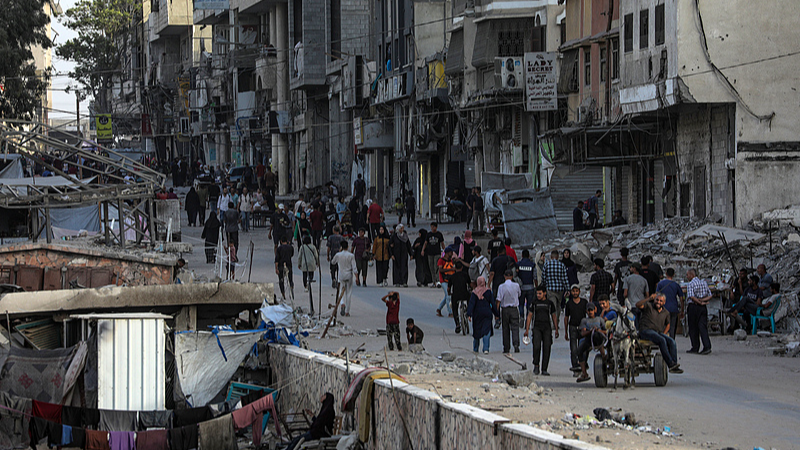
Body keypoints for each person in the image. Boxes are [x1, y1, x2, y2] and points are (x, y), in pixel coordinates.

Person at [637, 293, 684, 373]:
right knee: (661, 340)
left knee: (672, 342)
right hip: (646, 331)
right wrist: (649, 298)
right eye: (657, 300)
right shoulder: (649, 306)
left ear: (664, 302)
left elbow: (668, 325)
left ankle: (674, 364)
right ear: (654, 300)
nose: (658, 302)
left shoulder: (666, 312)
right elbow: (638, 304)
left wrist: (664, 333)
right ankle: (670, 364)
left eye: (661, 301)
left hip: (657, 332)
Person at [524, 285, 559, 375]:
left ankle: (544, 369)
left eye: (540, 293)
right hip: (537, 327)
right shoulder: (534, 303)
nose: (538, 295)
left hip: (547, 328)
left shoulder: (549, 303)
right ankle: (536, 366)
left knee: (547, 347)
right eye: (537, 293)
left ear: (545, 293)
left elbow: (554, 316)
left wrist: (556, 329)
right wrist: (527, 330)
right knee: (536, 346)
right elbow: (529, 316)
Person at [575, 303, 607, 382]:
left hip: (599, 338)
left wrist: (598, 330)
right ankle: (584, 373)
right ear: (586, 311)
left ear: (595, 310)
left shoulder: (600, 319)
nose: (590, 312)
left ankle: (604, 357)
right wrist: (590, 331)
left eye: (591, 310)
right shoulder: (585, 320)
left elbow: (606, 331)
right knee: (579, 351)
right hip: (589, 339)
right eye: (588, 310)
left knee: (597, 336)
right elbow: (582, 333)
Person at [467, 276, 497, 353]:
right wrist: (496, 314)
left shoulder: (474, 292)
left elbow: (471, 304)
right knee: (486, 331)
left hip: (477, 314)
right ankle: (486, 348)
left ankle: (475, 349)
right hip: (487, 313)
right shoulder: (488, 292)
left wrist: (469, 314)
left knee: (476, 331)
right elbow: (493, 303)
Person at [685, 269, 713, 355]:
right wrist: (702, 301)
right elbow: (710, 295)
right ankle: (707, 346)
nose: (687, 277)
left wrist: (698, 301)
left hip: (693, 307)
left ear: (691, 275)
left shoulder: (690, 284)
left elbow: (691, 297)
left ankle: (695, 347)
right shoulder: (703, 282)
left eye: (687, 275)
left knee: (693, 327)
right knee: (702, 326)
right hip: (702, 307)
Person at [563, 284, 588, 374]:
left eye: (576, 291)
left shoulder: (584, 302)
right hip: (572, 327)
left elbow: (589, 313)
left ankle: (583, 367)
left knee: (583, 348)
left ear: (579, 292)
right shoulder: (569, 304)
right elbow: (566, 317)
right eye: (573, 291)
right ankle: (575, 368)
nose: (575, 292)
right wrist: (565, 331)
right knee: (573, 350)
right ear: (571, 292)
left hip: (583, 328)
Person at [496, 269, 522, 354]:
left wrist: (497, 312)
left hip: (505, 309)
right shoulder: (516, 285)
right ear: (512, 276)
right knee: (515, 327)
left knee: (505, 328)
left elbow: (499, 300)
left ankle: (506, 347)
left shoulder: (501, 286)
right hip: (514, 309)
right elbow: (519, 295)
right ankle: (516, 345)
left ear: (504, 276)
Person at [656, 268, 685, 339]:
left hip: (663, 308)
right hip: (673, 308)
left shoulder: (660, 284)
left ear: (665, 273)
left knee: (663, 326)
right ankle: (671, 342)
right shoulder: (676, 285)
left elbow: (657, 295)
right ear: (674, 275)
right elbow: (682, 298)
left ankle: (663, 341)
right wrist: (682, 310)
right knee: (672, 327)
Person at [331, 240, 357, 316]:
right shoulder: (351, 255)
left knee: (340, 290)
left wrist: (339, 252)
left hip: (341, 275)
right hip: (349, 275)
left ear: (341, 247)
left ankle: (342, 303)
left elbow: (333, 262)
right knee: (348, 293)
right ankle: (347, 311)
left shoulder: (338, 255)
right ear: (347, 247)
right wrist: (357, 277)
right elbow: (354, 267)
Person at [542, 250, 569, 323]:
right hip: (560, 289)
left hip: (550, 289)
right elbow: (565, 278)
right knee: (558, 306)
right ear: (557, 257)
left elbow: (544, 277)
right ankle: (556, 320)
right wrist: (567, 289)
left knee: (552, 306)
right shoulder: (562, 265)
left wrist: (544, 286)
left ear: (551, 257)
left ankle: (553, 322)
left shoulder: (547, 265)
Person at [448, 262, 471, 333]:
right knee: (469, 297)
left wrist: (449, 293)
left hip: (456, 295)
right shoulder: (465, 275)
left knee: (454, 308)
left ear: (455, 268)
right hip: (464, 294)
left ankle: (457, 324)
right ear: (462, 268)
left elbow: (449, 288)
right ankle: (468, 309)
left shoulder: (452, 276)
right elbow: (470, 284)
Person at [422, 222, 445, 287]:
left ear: (436, 227)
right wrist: (423, 250)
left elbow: (442, 243)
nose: (432, 228)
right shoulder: (429, 234)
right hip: (430, 253)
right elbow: (425, 243)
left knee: (436, 267)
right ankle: (434, 281)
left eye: (433, 227)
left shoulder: (439, 234)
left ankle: (438, 281)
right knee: (431, 267)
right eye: (431, 227)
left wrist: (444, 251)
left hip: (437, 253)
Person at [436, 248, 456, 317]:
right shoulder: (441, 260)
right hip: (443, 280)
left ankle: (439, 309)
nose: (452, 254)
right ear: (447, 253)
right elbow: (440, 270)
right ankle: (450, 312)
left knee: (447, 296)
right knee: (448, 296)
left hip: (450, 280)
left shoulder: (451, 260)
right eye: (451, 252)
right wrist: (451, 269)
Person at [298, 236, 319, 303]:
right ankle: (309, 283)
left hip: (304, 263)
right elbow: (316, 255)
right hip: (311, 263)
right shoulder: (313, 247)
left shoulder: (302, 247)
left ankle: (305, 286)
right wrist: (317, 262)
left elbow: (299, 256)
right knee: (311, 274)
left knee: (304, 275)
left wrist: (299, 264)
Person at [517, 250, 536, 319]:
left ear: (522, 255)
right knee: (529, 305)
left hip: (521, 288)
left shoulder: (518, 264)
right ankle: (528, 319)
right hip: (530, 287)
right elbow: (535, 276)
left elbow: (516, 275)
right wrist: (536, 286)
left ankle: (521, 316)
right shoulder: (532, 265)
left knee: (521, 304)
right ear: (528, 256)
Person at [275, 235, 295, 300]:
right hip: (289, 264)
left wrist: (276, 268)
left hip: (281, 265)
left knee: (281, 280)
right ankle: (291, 287)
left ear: (281, 241)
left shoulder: (279, 248)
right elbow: (292, 255)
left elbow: (277, 259)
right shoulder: (291, 247)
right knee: (290, 278)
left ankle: (283, 294)